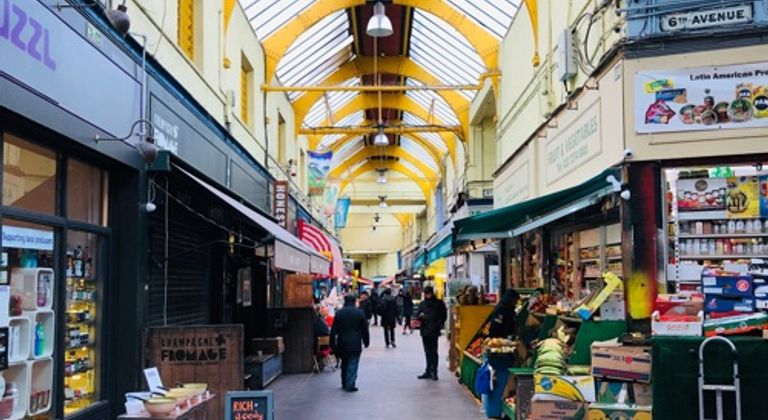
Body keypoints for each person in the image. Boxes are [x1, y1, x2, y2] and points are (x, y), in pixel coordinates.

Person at [330, 294, 370, 392]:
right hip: (355, 343)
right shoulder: (360, 313)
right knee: (353, 362)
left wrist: (332, 343)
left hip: (342, 342)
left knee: (344, 362)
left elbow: (333, 330)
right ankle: (350, 384)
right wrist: (366, 341)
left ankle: (344, 382)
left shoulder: (339, 313)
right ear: (354, 301)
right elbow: (365, 329)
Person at [417, 286, 447, 380]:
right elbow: (418, 315)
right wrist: (420, 317)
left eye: (429, 293)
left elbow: (443, 316)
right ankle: (428, 370)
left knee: (434, 352)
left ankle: (434, 371)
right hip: (425, 331)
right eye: (426, 294)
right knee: (427, 352)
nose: (427, 295)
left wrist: (437, 325)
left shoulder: (438, 303)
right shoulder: (422, 304)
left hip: (434, 331)